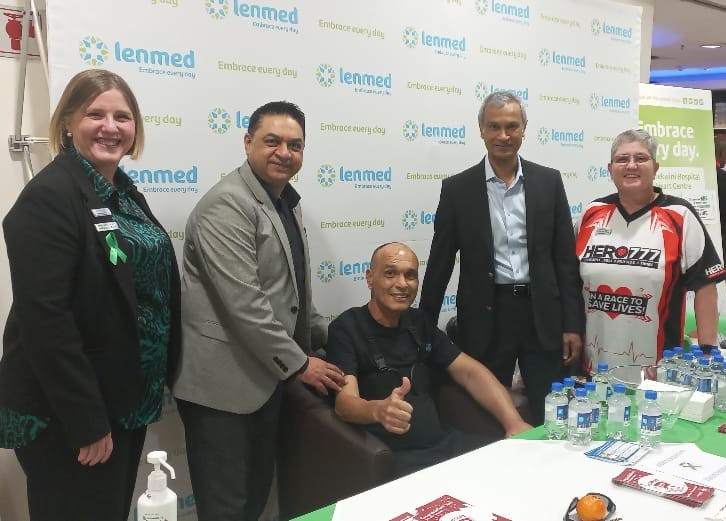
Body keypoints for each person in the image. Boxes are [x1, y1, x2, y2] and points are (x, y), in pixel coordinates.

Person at [0, 69, 181, 521]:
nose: (111, 126)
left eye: (123, 116)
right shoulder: (50, 197)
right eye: (95, 114)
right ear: (66, 122)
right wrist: (86, 422)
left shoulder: (120, 193)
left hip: (123, 403)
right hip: (73, 416)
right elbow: (47, 322)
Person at [172, 101, 345, 521]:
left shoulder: (285, 201)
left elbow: (289, 293)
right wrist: (301, 363)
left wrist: (340, 332)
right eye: (272, 141)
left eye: (295, 144)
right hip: (220, 391)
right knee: (226, 509)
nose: (284, 152)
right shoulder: (227, 205)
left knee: (253, 503)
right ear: (248, 142)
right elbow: (244, 305)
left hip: (264, 379)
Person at [420, 91, 584, 425]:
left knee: (550, 411)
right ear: (481, 129)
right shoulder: (457, 189)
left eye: (512, 126)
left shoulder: (548, 182)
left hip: (543, 316)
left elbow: (565, 261)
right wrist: (422, 327)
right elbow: (440, 263)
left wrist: (572, 324)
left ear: (525, 129)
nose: (503, 136)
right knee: (486, 415)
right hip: (485, 317)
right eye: (494, 126)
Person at [326, 242, 532, 477]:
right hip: (395, 459)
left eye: (410, 276)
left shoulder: (419, 322)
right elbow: (344, 404)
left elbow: (470, 372)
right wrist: (378, 410)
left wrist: (513, 421)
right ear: (370, 278)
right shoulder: (346, 329)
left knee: (516, 465)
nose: (402, 284)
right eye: (390, 273)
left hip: (443, 445)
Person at [575, 129, 725, 367]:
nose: (631, 165)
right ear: (610, 168)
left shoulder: (680, 215)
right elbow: (569, 281)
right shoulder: (591, 214)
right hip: (592, 365)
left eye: (641, 158)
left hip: (658, 369)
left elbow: (705, 285)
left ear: (655, 167)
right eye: (622, 159)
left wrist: (708, 352)